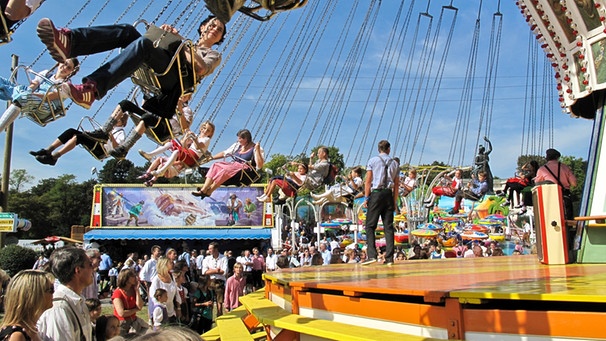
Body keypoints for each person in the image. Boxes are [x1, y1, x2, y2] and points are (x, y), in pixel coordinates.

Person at [36, 16, 225, 114]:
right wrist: (163, 35)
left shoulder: (214, 54)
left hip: (175, 81)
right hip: (161, 63)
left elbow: (200, 68)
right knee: (127, 31)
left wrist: (180, 42)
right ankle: (70, 42)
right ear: (202, 27)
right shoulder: (185, 41)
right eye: (213, 24)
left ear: (219, 39)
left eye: (219, 30)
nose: (215, 29)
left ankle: (92, 90)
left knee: (143, 45)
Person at [30, 101, 129, 165]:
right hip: (97, 142)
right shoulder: (108, 126)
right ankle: (48, 150)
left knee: (79, 137)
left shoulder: (120, 132)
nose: (115, 120)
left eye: (118, 119)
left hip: (102, 150)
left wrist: (110, 136)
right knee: (71, 131)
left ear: (123, 122)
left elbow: (117, 148)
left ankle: (55, 157)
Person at [38, 246, 95, 341]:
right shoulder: (59, 308)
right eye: (90, 265)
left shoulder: (78, 301)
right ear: (78, 270)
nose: (93, 269)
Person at [138, 120, 215, 187]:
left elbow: (199, 146)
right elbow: (184, 146)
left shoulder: (206, 139)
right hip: (187, 153)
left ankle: (161, 171)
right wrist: (186, 138)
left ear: (210, 133)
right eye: (204, 128)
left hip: (192, 157)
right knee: (171, 143)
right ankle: (150, 155)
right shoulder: (197, 136)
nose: (205, 131)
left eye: (208, 130)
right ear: (201, 128)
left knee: (176, 152)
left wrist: (194, 139)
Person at [192, 129, 264, 198]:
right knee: (215, 165)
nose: (238, 140)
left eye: (240, 139)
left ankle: (210, 191)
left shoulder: (256, 148)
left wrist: (257, 150)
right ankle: (204, 189)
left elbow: (260, 165)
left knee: (225, 170)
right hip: (233, 165)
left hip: (245, 170)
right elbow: (225, 153)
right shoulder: (237, 145)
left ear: (245, 139)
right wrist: (212, 158)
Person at [362, 140, 400, 266]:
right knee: (388, 227)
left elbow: (368, 181)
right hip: (388, 193)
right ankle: (389, 258)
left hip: (376, 193)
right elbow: (396, 185)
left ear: (379, 149)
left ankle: (372, 255)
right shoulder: (394, 163)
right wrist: (394, 202)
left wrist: (366, 198)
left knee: (370, 225)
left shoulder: (372, 161)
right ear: (388, 149)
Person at [0, 270, 54, 341]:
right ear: (34, 296)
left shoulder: (31, 329)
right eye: (51, 290)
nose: (54, 294)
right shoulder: (17, 335)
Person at [534, 148, 578, 220]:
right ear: (557, 157)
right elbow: (574, 183)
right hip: (565, 195)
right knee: (568, 218)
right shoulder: (565, 167)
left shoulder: (542, 169)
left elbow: (537, 184)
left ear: (547, 157)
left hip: (550, 197)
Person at [112, 268, 148, 337]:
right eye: (133, 276)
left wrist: (137, 291)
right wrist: (135, 310)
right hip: (122, 323)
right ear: (126, 279)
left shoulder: (133, 289)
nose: (136, 278)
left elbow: (140, 306)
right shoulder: (118, 293)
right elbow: (121, 313)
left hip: (134, 321)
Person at [148, 257, 181, 325]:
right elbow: (153, 296)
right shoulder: (156, 280)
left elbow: (176, 293)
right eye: (170, 263)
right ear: (164, 265)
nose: (172, 264)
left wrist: (178, 307)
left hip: (171, 311)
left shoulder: (171, 276)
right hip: (161, 313)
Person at [201, 241, 228, 316]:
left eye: (210, 249)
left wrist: (211, 270)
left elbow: (224, 271)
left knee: (220, 300)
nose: (209, 250)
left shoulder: (223, 258)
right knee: (210, 300)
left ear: (216, 249)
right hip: (210, 281)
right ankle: (209, 316)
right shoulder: (207, 259)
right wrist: (216, 270)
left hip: (220, 282)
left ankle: (219, 314)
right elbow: (204, 272)